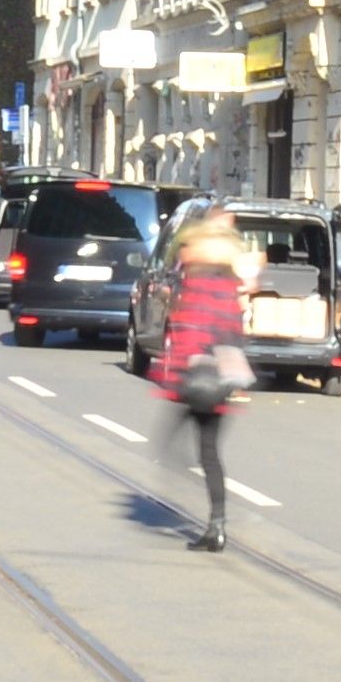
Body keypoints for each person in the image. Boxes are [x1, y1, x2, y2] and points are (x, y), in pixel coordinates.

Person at [149, 204, 248, 553]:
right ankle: (216, 524)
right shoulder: (228, 284)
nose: (184, 252)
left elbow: (191, 331)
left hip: (196, 381)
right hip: (220, 381)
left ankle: (196, 514)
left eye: (187, 248)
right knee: (208, 452)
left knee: (172, 448)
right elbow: (233, 332)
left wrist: (173, 378)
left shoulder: (199, 282)